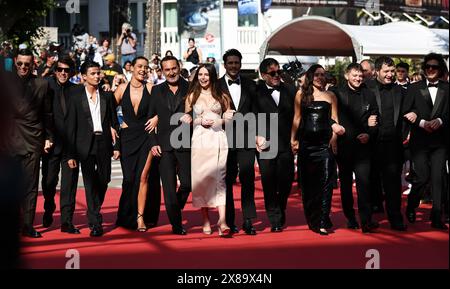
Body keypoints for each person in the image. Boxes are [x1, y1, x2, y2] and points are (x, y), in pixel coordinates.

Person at [66, 61, 121, 237]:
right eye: (93, 73)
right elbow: (71, 127)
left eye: (98, 73)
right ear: (84, 77)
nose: (97, 76)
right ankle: (95, 222)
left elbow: (114, 122)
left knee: (104, 179)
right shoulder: (75, 97)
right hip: (84, 145)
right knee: (89, 184)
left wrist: (117, 146)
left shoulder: (107, 96)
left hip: (103, 142)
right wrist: (71, 154)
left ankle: (95, 208)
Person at [290, 64, 345, 235]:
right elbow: (297, 118)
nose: (320, 78)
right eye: (317, 75)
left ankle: (321, 219)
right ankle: (313, 217)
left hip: (324, 145)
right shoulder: (301, 94)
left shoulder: (331, 95)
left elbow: (334, 119)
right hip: (306, 145)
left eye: (323, 75)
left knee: (327, 184)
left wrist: (334, 140)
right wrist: (293, 139)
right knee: (309, 185)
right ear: (310, 76)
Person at [331, 63, 385, 232]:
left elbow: (375, 116)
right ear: (347, 76)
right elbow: (330, 116)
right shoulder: (337, 93)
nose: (358, 78)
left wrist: (369, 133)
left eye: (360, 75)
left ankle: (366, 219)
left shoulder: (368, 93)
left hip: (363, 146)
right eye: (354, 75)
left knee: (364, 183)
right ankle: (350, 218)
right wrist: (334, 126)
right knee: (346, 185)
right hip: (344, 145)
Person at [9, 49, 54, 238]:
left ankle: (27, 225)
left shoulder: (42, 84)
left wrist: (48, 137)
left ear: (33, 63)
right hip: (7, 140)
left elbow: (48, 114)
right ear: (14, 62)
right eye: (20, 64)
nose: (23, 67)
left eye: (27, 64)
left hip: (32, 139)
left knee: (30, 186)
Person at [185, 63, 234, 237]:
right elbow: (188, 118)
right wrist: (197, 121)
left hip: (218, 139)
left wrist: (221, 121)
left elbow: (230, 115)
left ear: (212, 76)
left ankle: (222, 221)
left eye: (206, 74)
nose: (203, 78)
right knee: (202, 180)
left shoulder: (222, 95)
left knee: (220, 179)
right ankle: (205, 219)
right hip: (199, 140)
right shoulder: (191, 96)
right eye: (200, 75)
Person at [403, 53, 449, 230]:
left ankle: (437, 216)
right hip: (420, 141)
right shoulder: (414, 88)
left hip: (440, 141)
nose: (430, 69)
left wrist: (441, 121)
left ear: (440, 69)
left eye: (434, 67)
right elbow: (405, 112)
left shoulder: (447, 88)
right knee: (422, 177)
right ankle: (412, 204)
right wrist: (422, 123)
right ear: (424, 69)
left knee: (438, 178)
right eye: (428, 66)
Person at [114, 56, 161, 231]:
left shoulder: (151, 88)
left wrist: (157, 117)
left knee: (143, 177)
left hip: (146, 137)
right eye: (139, 66)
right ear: (131, 67)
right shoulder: (121, 89)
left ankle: (140, 217)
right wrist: (117, 125)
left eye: (146, 67)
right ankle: (126, 215)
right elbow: (107, 109)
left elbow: (164, 108)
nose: (143, 69)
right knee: (128, 179)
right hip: (127, 139)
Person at [148, 56, 192, 235]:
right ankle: (176, 224)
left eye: (174, 68)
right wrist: (153, 142)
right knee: (168, 188)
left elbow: (200, 109)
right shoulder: (156, 90)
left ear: (179, 67)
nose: (171, 72)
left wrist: (193, 117)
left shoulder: (190, 87)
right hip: (164, 146)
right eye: (167, 70)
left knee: (188, 183)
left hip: (186, 143)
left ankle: (176, 206)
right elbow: (150, 119)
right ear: (162, 71)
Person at [366, 56, 408, 230]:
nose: (390, 75)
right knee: (369, 182)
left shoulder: (401, 91)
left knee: (393, 184)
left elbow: (410, 111)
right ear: (377, 71)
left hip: (393, 145)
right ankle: (368, 219)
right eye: (386, 71)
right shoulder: (366, 88)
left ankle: (395, 218)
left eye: (392, 71)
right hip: (371, 144)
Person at [254, 58, 296, 232]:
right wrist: (255, 136)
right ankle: (275, 219)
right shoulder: (255, 91)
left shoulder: (290, 90)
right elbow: (249, 116)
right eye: (273, 73)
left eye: (279, 72)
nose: (277, 75)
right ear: (264, 75)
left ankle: (281, 207)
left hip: (286, 144)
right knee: (269, 183)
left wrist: (296, 138)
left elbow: (297, 116)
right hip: (265, 145)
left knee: (286, 182)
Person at [40, 56, 81, 234]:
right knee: (49, 182)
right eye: (60, 70)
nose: (63, 73)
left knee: (69, 186)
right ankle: (49, 206)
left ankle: (66, 221)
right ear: (55, 71)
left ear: (71, 72)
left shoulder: (77, 90)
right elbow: (40, 113)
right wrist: (44, 137)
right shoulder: (47, 86)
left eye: (66, 70)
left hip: (71, 147)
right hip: (51, 144)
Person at [219, 49, 258, 235]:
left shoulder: (252, 85)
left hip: (246, 139)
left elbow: (257, 113)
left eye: (236, 62)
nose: (234, 66)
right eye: (230, 63)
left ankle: (248, 220)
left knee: (248, 180)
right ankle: (228, 221)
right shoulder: (216, 85)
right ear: (224, 64)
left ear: (240, 64)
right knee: (226, 181)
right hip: (224, 140)